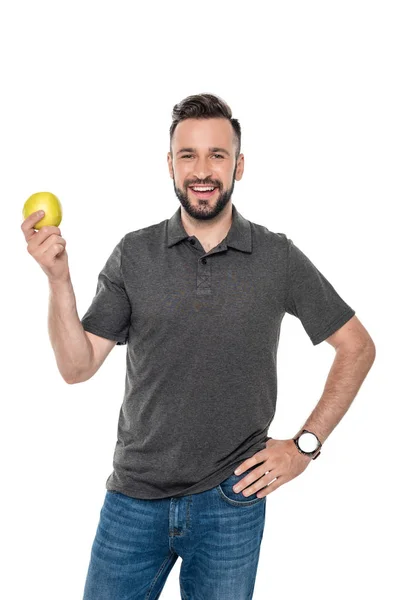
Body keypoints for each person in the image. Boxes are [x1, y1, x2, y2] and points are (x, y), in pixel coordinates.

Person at [21, 93, 376, 600]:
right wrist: (58, 279)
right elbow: (76, 367)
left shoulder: (277, 257)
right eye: (188, 155)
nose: (202, 170)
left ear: (239, 165)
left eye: (217, 155)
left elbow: (358, 347)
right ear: (170, 164)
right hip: (132, 499)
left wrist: (304, 447)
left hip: (231, 500)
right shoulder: (134, 253)